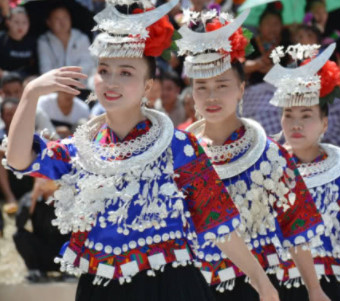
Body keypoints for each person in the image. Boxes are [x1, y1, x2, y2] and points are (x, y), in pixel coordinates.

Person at [4, 1, 279, 300]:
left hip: (169, 287)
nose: (111, 81)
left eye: (125, 73)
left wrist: (262, 284)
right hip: (102, 288)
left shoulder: (178, 146)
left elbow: (217, 221)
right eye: (104, 70)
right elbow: (18, 159)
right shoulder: (81, 149)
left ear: (148, 86)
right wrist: (30, 95)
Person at [178, 9, 328, 301]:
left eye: (222, 86)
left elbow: (295, 221)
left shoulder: (269, 152)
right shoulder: (180, 153)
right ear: (192, 94)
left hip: (265, 286)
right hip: (196, 286)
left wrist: (314, 289)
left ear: (241, 89)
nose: (211, 97)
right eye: (202, 87)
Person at [264, 43, 340, 301]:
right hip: (277, 285)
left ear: (324, 123)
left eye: (306, 115)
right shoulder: (266, 169)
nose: (296, 124)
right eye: (289, 114)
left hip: (331, 286)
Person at [13, 178, 70, 283]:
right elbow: (19, 224)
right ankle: (36, 271)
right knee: (19, 235)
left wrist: (55, 195)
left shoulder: (67, 197)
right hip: (41, 250)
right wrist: (34, 197)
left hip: (62, 250)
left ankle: (69, 270)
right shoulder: (30, 197)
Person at [37, 4, 94, 79]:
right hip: (55, 84)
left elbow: (88, 63)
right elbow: (45, 68)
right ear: (49, 22)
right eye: (57, 19)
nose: (62, 22)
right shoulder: (44, 41)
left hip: (81, 82)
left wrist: (73, 75)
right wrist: (64, 79)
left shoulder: (81, 37)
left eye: (65, 17)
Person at [244, 3, 290, 86]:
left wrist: (274, 71)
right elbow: (239, 68)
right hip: (253, 90)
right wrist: (256, 64)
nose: (272, 28)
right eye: (268, 23)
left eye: (276, 24)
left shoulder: (287, 45)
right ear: (259, 26)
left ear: (281, 26)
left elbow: (293, 70)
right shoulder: (250, 44)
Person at [0, 7, 37, 78]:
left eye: (24, 22)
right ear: (8, 22)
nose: (20, 26)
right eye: (16, 22)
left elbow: (35, 66)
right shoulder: (1, 39)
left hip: (25, 80)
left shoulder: (32, 42)